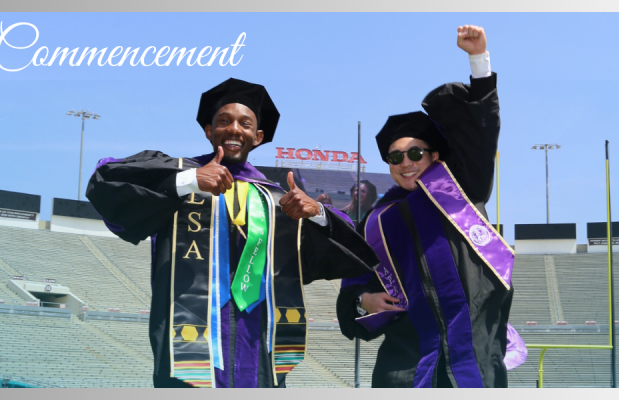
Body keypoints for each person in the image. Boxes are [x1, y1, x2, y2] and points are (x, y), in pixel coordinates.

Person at [86, 78, 379, 388]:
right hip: (188, 357)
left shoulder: (278, 200)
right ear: (209, 131)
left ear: (258, 136)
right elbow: (106, 182)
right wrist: (190, 181)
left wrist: (316, 212)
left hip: (259, 353)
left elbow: (352, 249)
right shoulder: (180, 177)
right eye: (224, 121)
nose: (234, 129)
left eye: (245, 123)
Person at [336, 25, 525, 388]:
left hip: (475, 358)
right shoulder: (375, 224)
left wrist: (478, 61)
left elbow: (481, 134)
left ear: (434, 156)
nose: (405, 162)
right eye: (395, 156)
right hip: (404, 368)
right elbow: (352, 293)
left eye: (415, 153)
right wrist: (365, 301)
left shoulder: (461, 192)